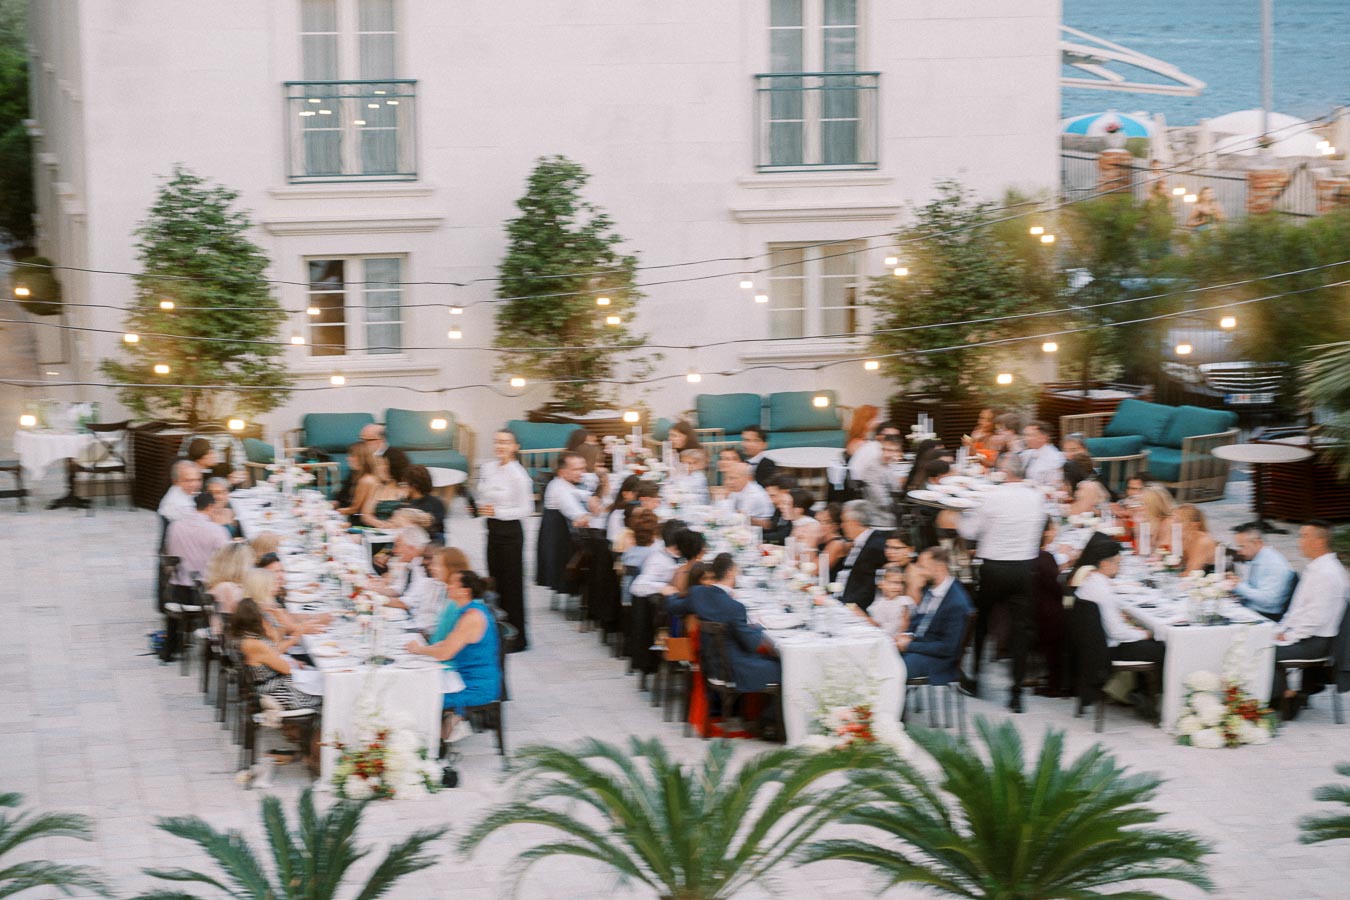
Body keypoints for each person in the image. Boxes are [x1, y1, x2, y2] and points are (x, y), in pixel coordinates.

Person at [957, 452, 1044, 711]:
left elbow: (970, 531)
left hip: (994, 568)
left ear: (1004, 472)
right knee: (1021, 630)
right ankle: (1016, 693)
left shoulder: (992, 496)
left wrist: (959, 516)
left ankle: (976, 678)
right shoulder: (1037, 497)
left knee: (983, 623)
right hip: (1025, 568)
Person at [1072, 533, 1164, 717]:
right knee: (1160, 647)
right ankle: (1148, 698)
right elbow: (1116, 632)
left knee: (1147, 640)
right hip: (1106, 650)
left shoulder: (1091, 581)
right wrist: (1143, 634)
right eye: (1117, 563)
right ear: (1104, 564)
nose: (1119, 567)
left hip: (1092, 646)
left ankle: (1140, 692)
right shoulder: (1102, 589)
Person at [406, 569, 502, 745]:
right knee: (418, 685)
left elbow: (445, 653)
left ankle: (429, 744)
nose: (447, 586)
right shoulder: (468, 610)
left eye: (452, 584)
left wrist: (419, 650)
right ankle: (433, 735)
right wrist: (422, 648)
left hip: (475, 686)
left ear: (464, 591)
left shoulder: (472, 617)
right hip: (463, 677)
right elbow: (448, 643)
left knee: (422, 694)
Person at [667, 553, 781, 696]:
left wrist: (672, 593)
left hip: (711, 666)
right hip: (734, 670)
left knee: (772, 659)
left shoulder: (698, 593)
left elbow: (673, 607)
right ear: (729, 573)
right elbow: (751, 644)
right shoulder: (735, 607)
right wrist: (759, 626)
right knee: (788, 668)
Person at [1272, 521, 1349, 719]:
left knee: (1265, 652)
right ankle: (1281, 695)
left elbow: (1317, 618)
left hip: (1316, 642)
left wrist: (1290, 636)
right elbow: (1296, 609)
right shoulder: (1317, 568)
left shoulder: (1328, 573)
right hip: (1307, 635)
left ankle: (1285, 701)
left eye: (1304, 536)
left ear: (1319, 541)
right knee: (1257, 641)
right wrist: (1281, 629)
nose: (1299, 541)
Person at [472, 429, 534, 647]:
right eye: (497, 441)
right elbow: (482, 494)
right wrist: (480, 507)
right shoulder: (488, 468)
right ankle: (498, 632)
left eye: (506, 442)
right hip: (493, 529)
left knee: (511, 584)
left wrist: (497, 512)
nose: (500, 446)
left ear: (515, 447)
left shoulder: (519, 475)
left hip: (510, 532)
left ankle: (517, 637)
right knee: (494, 581)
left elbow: (526, 509)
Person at [161, 491, 232, 661]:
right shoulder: (217, 530)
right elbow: (229, 559)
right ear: (210, 507)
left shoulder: (174, 526)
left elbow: (169, 552)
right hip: (202, 594)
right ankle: (216, 647)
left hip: (176, 591)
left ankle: (171, 647)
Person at [232, 598, 323, 720]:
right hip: (280, 694)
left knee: (315, 677)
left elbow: (274, 648)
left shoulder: (244, 638)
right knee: (326, 691)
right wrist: (298, 633)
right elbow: (285, 669)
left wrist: (279, 623)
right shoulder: (255, 644)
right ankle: (320, 729)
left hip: (268, 687)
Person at [897, 547, 974, 684]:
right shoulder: (931, 588)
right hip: (921, 648)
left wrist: (909, 646)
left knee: (891, 669)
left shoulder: (956, 602)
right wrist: (907, 635)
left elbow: (947, 648)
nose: (919, 572)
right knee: (880, 656)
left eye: (923, 567)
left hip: (939, 661)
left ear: (939, 569)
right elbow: (919, 619)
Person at [537, 451, 593, 596]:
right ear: (562, 472)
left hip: (563, 538)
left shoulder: (562, 483)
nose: (582, 473)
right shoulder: (560, 490)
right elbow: (579, 517)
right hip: (562, 545)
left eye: (583, 468)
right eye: (576, 469)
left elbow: (582, 493)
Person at [1032, 518, 1069, 696]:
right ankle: (1057, 683)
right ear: (1046, 532)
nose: (1056, 532)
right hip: (1048, 612)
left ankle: (1055, 679)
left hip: (1038, 607)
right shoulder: (1045, 558)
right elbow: (1056, 587)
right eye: (1053, 529)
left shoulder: (1036, 554)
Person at [1228, 523, 1296, 620]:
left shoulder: (1274, 564)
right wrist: (1236, 583)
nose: (1239, 552)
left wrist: (1237, 586)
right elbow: (1254, 587)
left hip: (1265, 615)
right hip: (1252, 608)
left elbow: (1268, 600)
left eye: (1242, 547)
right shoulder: (1260, 557)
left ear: (1257, 543)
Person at [836, 500, 891, 611]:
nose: (841, 526)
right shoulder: (864, 541)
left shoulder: (875, 546)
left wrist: (845, 606)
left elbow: (868, 587)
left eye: (844, 521)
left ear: (854, 523)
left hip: (855, 609)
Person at [856, 565, 915, 638]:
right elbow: (876, 624)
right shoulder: (878, 603)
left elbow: (904, 624)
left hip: (895, 638)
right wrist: (863, 616)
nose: (897, 587)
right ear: (881, 584)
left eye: (900, 583)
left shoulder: (904, 601)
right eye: (891, 583)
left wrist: (864, 617)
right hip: (879, 635)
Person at [620, 508, 662, 606]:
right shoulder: (658, 552)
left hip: (630, 600)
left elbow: (623, 574)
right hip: (652, 600)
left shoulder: (629, 553)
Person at [359, 452, 409, 529]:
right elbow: (366, 514)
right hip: (379, 531)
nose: (380, 468)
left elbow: (411, 516)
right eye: (379, 465)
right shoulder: (377, 488)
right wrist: (379, 524)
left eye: (385, 464)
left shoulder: (406, 489)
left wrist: (394, 525)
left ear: (394, 466)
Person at [337, 441, 380, 526]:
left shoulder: (365, 480)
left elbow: (355, 509)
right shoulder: (369, 476)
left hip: (362, 523)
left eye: (352, 456)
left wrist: (333, 511)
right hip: (363, 520)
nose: (348, 458)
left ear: (361, 458)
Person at [399, 465, 446, 543]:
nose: (402, 486)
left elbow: (436, 526)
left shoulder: (435, 502)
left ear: (414, 485)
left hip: (431, 542)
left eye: (405, 483)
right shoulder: (403, 502)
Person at [1175, 504, 1219, 573]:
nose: (1173, 525)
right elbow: (1177, 566)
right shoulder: (1188, 539)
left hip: (1206, 578)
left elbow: (1190, 572)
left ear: (1193, 525)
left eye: (1178, 521)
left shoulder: (1203, 541)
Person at [1020, 421, 1065, 487]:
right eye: (1025, 435)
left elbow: (1055, 485)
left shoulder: (1054, 458)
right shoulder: (1027, 454)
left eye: (1030, 435)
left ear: (1043, 437)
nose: (1026, 438)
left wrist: (1033, 484)